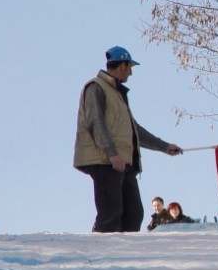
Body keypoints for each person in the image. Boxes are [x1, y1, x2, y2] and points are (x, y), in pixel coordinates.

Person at [73, 46, 183, 233]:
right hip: (104, 160)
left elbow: (134, 131)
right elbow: (95, 123)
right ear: (122, 65)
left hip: (123, 162)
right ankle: (101, 250)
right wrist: (112, 154)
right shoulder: (96, 87)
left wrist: (164, 147)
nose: (131, 73)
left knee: (134, 212)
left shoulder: (117, 94)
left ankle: (124, 252)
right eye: (129, 67)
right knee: (111, 212)